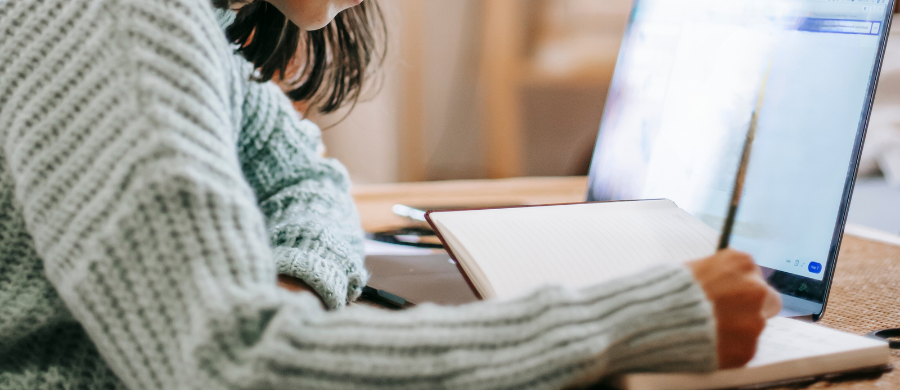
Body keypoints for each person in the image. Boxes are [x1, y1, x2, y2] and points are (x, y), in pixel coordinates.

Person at [0, 0, 782, 389]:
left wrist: (290, 284)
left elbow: (303, 177)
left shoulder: (196, 23)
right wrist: (634, 319)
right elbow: (235, 370)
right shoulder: (120, 20)